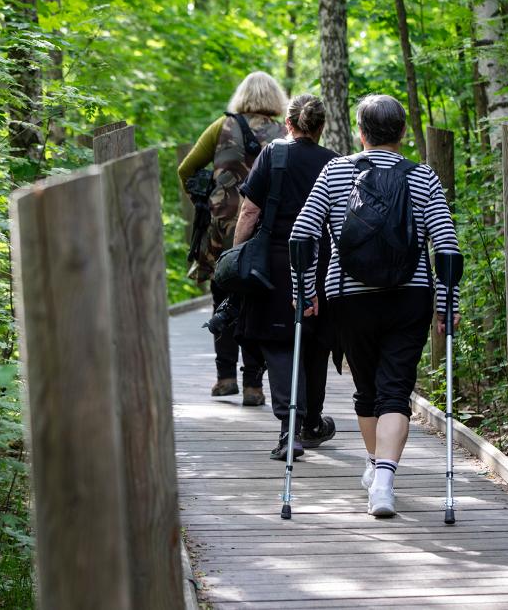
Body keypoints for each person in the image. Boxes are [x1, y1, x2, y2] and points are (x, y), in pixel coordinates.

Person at [289, 94, 461, 517]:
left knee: (367, 391)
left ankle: (378, 470)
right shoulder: (423, 177)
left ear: (360, 133)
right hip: (410, 296)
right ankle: (382, 475)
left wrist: (304, 291)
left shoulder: (336, 171)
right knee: (396, 391)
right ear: (403, 133)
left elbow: (302, 236)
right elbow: (448, 248)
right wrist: (446, 302)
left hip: (348, 299)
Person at [233, 94, 338, 460]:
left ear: (288, 124)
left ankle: (290, 429)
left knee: (280, 345)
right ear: (321, 127)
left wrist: (237, 255)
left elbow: (249, 211)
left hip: (276, 263)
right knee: (314, 344)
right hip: (321, 263)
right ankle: (308, 423)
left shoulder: (274, 154)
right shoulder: (335, 163)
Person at [178, 72, 288, 406]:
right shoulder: (286, 132)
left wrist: (205, 197)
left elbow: (186, 168)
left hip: (224, 228)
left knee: (223, 296)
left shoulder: (221, 127)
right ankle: (254, 385)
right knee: (257, 301)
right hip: (267, 229)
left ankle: (225, 378)